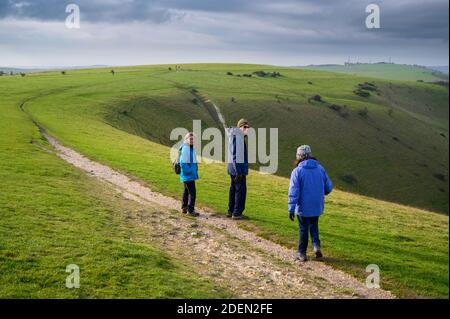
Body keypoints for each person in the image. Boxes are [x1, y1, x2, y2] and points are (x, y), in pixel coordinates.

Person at [288, 145, 333, 262]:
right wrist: (324, 192)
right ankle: (316, 246)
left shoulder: (297, 171)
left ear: (299, 157)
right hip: (317, 205)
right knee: (314, 225)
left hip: (303, 206)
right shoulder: (320, 168)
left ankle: (301, 253)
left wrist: (291, 209)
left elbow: (294, 191)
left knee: (303, 229)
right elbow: (328, 186)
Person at [227, 119, 250, 220]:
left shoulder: (234, 136)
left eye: (248, 127)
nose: (247, 129)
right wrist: (238, 172)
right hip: (238, 170)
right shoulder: (238, 137)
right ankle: (237, 213)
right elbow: (236, 156)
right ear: (240, 127)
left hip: (232, 168)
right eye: (245, 127)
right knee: (240, 191)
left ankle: (231, 211)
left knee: (233, 190)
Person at [180, 132, 199, 217]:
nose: (192, 140)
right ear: (186, 139)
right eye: (190, 139)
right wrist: (190, 171)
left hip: (188, 175)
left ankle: (184, 207)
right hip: (188, 175)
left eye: (193, 139)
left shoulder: (189, 148)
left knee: (186, 191)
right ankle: (190, 210)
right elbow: (183, 163)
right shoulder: (186, 148)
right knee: (192, 193)